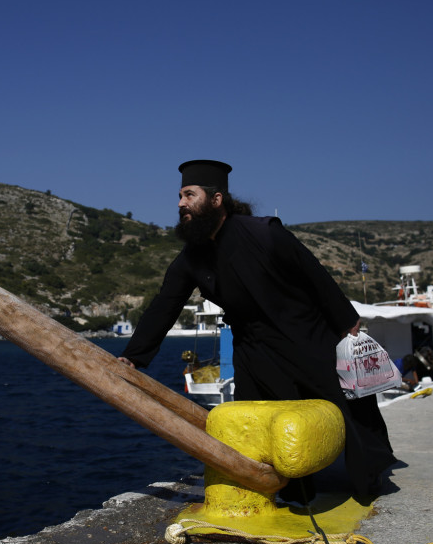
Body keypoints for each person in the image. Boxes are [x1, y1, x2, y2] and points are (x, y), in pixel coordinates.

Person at [118, 159, 396, 501]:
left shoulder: (264, 231)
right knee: (257, 420)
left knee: (348, 407)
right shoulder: (192, 257)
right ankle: (290, 489)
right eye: (179, 196)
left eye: (189, 195)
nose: (180, 204)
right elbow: (165, 305)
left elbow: (313, 273)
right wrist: (133, 357)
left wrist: (345, 320)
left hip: (305, 334)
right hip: (252, 348)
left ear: (216, 199)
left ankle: (370, 477)